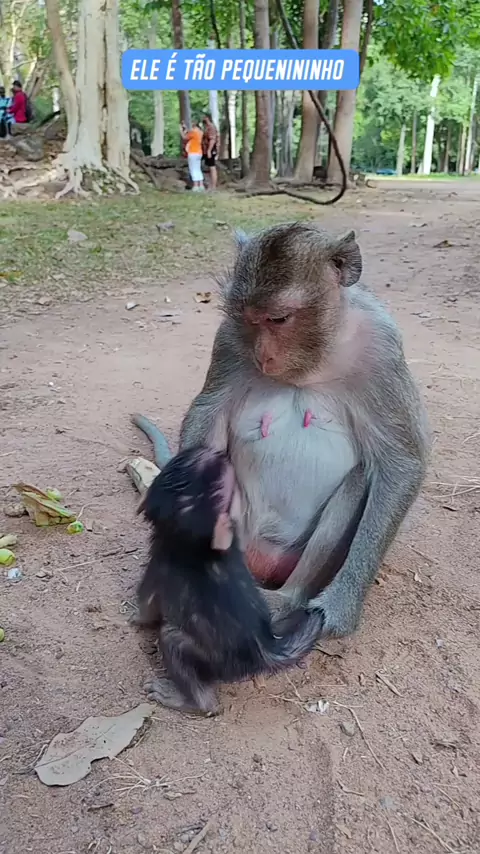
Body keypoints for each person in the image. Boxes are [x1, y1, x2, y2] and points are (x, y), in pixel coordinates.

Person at [180, 119, 204, 192]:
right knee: (198, 169)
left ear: (194, 124)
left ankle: (196, 186)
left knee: (193, 169)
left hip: (193, 152)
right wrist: (185, 128)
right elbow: (190, 135)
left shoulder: (193, 132)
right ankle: (201, 185)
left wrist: (181, 130)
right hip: (199, 152)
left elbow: (185, 137)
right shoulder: (200, 132)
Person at [202, 113, 219, 190]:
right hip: (206, 149)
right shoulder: (206, 127)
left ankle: (213, 186)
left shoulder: (211, 127)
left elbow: (212, 139)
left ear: (207, 118)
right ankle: (210, 184)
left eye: (204, 117)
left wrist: (209, 150)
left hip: (211, 149)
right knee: (209, 167)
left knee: (212, 167)